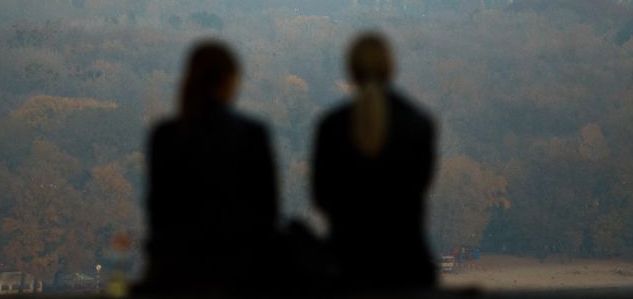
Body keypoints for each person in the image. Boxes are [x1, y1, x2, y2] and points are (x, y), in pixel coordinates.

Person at [141, 40, 279, 292]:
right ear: (230, 81)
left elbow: (158, 211)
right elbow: (267, 214)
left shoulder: (165, 136)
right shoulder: (252, 134)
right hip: (239, 271)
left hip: (177, 272)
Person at [311, 32, 437, 290]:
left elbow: (321, 197)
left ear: (351, 70)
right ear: (390, 68)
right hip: (407, 266)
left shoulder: (332, 126)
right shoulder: (419, 124)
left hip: (345, 265)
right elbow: (419, 188)